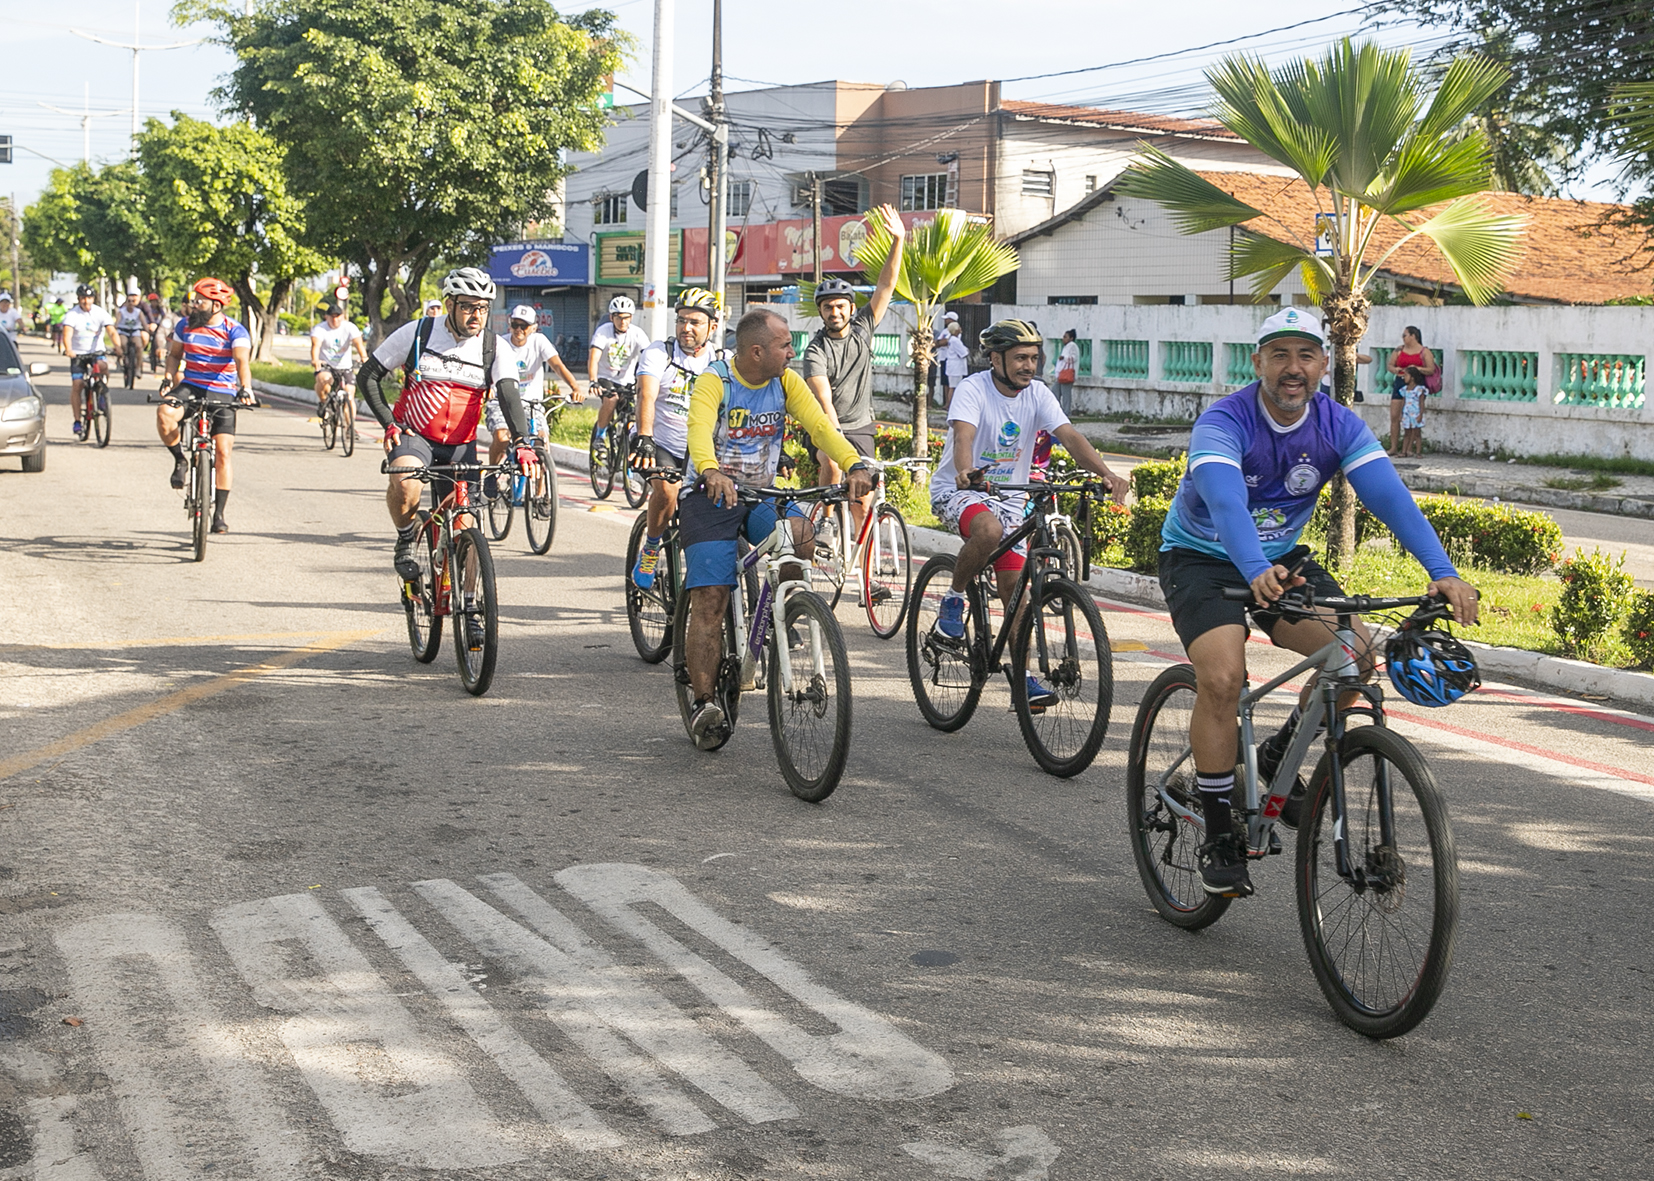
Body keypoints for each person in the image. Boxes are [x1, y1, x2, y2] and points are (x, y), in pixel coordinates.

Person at [1157, 307, 1479, 898]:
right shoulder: (1224, 422)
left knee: (1354, 657)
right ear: (1257, 364)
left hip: (1283, 559)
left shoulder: (1338, 424)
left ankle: (1280, 753)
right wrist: (1253, 568)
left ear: (1324, 365)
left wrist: (1443, 573)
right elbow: (1226, 505)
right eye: (1279, 355)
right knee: (1225, 678)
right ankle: (1221, 833)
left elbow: (1390, 498)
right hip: (1202, 558)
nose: (1292, 368)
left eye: (1305, 356)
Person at [678, 308, 873, 748]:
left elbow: (820, 426)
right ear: (756, 351)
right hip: (710, 495)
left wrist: (853, 463)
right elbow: (698, 430)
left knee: (801, 537)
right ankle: (704, 702)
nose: (792, 352)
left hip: (760, 493)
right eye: (785, 346)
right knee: (711, 596)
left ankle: (782, 615)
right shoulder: (716, 381)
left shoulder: (785, 381)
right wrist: (710, 470)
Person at [928, 319, 1129, 704]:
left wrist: (1106, 473)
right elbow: (963, 435)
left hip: (1009, 498)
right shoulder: (973, 389)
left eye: (1034, 358)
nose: (1029, 366)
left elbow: (1069, 436)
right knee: (987, 532)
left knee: (1015, 594)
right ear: (996, 358)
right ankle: (953, 599)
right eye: (1020, 357)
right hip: (961, 490)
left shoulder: (1038, 394)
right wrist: (967, 471)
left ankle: (1021, 676)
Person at [357, 267, 532, 594]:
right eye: (468, 306)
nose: (476, 315)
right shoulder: (418, 333)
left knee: (468, 528)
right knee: (406, 482)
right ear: (449, 304)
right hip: (415, 436)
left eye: (482, 308)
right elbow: (368, 375)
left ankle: (471, 604)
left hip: (460, 445)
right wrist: (388, 421)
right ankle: (406, 538)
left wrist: (522, 442)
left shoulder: (493, 347)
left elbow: (509, 395)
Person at [800, 205, 907, 551]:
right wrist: (838, 445)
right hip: (828, 425)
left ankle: (868, 575)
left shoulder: (863, 329)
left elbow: (887, 284)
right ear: (821, 311)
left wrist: (898, 239)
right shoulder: (815, 351)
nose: (835, 312)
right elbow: (824, 402)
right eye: (828, 307)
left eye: (841, 306)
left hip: (861, 425)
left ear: (850, 307)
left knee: (863, 503)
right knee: (832, 464)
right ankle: (828, 520)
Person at [631, 287, 725, 589]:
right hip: (659, 443)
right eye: (682, 320)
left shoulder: (721, 361)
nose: (686, 328)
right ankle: (651, 547)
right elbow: (647, 393)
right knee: (668, 491)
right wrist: (644, 435)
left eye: (695, 322)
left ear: (712, 326)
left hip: (700, 451)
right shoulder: (660, 352)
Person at [156, 277, 257, 533]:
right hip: (191, 385)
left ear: (216, 305)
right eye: (194, 300)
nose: (194, 304)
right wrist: (168, 378)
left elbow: (242, 362)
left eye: (200, 301)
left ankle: (219, 513)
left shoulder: (235, 330)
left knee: (223, 451)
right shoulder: (185, 325)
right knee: (165, 413)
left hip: (222, 392)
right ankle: (180, 459)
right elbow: (175, 355)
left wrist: (245, 388)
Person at [486, 305, 581, 485]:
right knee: (501, 437)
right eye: (515, 325)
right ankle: (492, 474)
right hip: (502, 402)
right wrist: (490, 387)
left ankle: (540, 496)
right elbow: (489, 370)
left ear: (534, 328)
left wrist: (575, 388)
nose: (519, 330)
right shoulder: (500, 343)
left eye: (524, 326)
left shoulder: (539, 342)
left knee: (542, 443)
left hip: (532, 403)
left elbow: (557, 366)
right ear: (509, 324)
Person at [587, 295, 650, 442]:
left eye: (626, 318)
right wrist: (593, 380)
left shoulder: (637, 333)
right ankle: (600, 436)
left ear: (631, 317)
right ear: (611, 317)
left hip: (627, 380)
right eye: (619, 317)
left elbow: (648, 356)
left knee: (633, 414)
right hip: (605, 377)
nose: (623, 322)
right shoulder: (603, 331)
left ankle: (626, 444)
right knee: (611, 399)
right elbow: (594, 358)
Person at [62, 285, 117, 440]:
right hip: (78, 354)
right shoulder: (72, 315)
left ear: (94, 299)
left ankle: (101, 392)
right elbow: (67, 334)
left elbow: (111, 331)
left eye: (89, 298)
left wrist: (118, 346)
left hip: (96, 352)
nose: (86, 301)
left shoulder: (100, 313)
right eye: (83, 298)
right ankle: (78, 420)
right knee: (78, 384)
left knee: (103, 366)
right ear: (79, 299)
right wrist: (69, 349)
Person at [309, 301, 368, 413]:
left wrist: (364, 357)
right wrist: (315, 359)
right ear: (326, 317)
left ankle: (349, 428)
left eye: (338, 316)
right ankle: (322, 402)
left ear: (343, 316)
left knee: (349, 395)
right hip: (326, 365)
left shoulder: (350, 327)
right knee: (324, 381)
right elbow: (316, 346)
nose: (335, 320)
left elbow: (358, 344)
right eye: (332, 317)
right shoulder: (320, 329)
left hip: (345, 366)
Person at [1386, 325, 1435, 455]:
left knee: (1414, 416)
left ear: (1413, 336)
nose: (1403, 338)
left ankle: (1409, 448)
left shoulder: (1424, 351)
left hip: (1416, 384)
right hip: (1400, 382)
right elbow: (1390, 365)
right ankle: (1394, 446)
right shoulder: (1399, 350)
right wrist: (1395, 370)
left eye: (1405, 335)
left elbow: (1431, 369)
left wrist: (1417, 369)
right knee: (1395, 415)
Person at [113, 286, 149, 375]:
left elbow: (144, 322)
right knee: (123, 344)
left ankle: (138, 368)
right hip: (123, 331)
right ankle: (125, 359)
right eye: (129, 301)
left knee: (139, 347)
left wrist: (148, 330)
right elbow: (117, 321)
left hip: (134, 331)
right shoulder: (121, 311)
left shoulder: (138, 311)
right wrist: (116, 326)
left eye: (133, 301)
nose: (131, 303)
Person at [939, 323, 970, 409]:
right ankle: (951, 405)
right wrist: (967, 350)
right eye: (959, 327)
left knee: (952, 386)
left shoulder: (952, 339)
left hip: (953, 366)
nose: (960, 328)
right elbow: (964, 352)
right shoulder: (955, 341)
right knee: (953, 387)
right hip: (956, 367)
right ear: (956, 330)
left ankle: (951, 404)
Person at [1398, 365, 1427, 458]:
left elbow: (1421, 403)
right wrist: (1401, 413)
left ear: (1412, 378)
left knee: (1417, 433)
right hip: (1407, 413)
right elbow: (1403, 401)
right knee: (1407, 433)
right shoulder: (1404, 389)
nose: (1404, 378)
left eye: (1406, 375)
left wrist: (1420, 415)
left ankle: (1418, 452)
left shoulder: (1419, 389)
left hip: (1416, 413)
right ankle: (1404, 451)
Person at [1052, 329, 1080, 414]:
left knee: (1066, 395)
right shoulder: (1066, 347)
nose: (1063, 339)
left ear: (1071, 338)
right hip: (1061, 374)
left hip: (1067, 374)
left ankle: (1066, 412)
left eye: (1065, 337)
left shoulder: (1072, 346)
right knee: (1054, 392)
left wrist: (1064, 358)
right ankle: (1058, 410)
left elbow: (1074, 358)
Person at [141, 292, 168, 372]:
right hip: (148, 327)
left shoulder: (160, 309)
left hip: (158, 327)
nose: (154, 303)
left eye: (155, 301)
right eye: (152, 301)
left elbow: (164, 317)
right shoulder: (148, 309)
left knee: (157, 343)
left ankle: (159, 360)